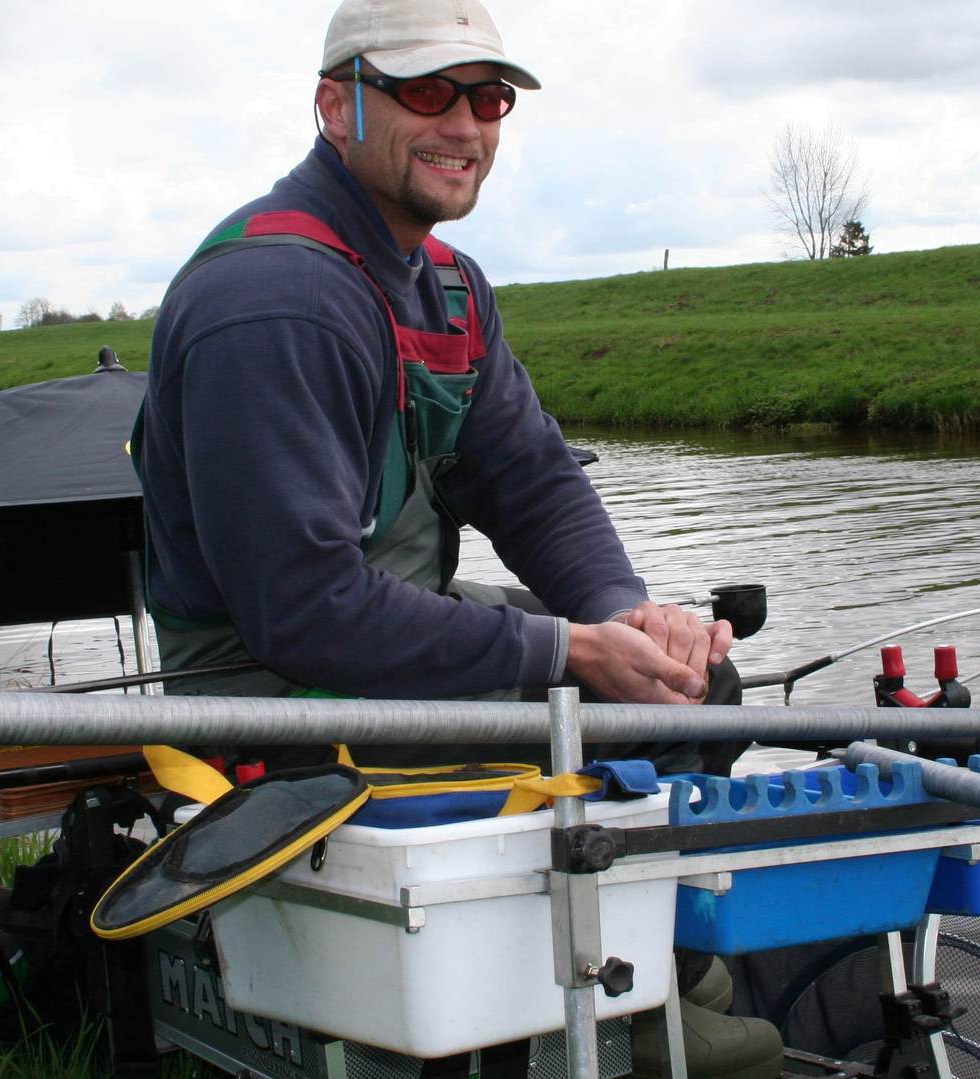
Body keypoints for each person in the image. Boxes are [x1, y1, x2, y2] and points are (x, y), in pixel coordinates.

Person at [135, 2, 781, 1075]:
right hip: (278, 699)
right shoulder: (277, 298)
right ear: (335, 103)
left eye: (489, 98)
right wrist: (569, 650)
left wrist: (626, 612)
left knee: (689, 682)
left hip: (379, 665)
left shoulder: (447, 286)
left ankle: (652, 964)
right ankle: (642, 996)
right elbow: (305, 611)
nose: (467, 125)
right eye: (428, 91)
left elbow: (530, 480)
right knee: (625, 705)